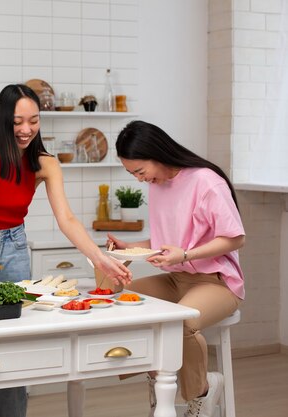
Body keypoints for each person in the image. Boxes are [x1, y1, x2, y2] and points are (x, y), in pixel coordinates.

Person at [0, 84, 132, 417]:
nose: (26, 130)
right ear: (2, 119)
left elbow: (67, 218)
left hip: (14, 249)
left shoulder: (44, 163)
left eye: (34, 121)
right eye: (17, 122)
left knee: (14, 344)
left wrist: (100, 258)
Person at [108, 120, 244, 417]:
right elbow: (164, 242)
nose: (140, 180)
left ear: (157, 154)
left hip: (216, 282)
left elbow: (235, 238)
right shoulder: (159, 185)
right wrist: (126, 249)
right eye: (132, 174)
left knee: (180, 323)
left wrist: (186, 254)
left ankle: (200, 396)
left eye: (140, 171)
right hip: (178, 278)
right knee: (121, 301)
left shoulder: (207, 182)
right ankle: (162, 391)